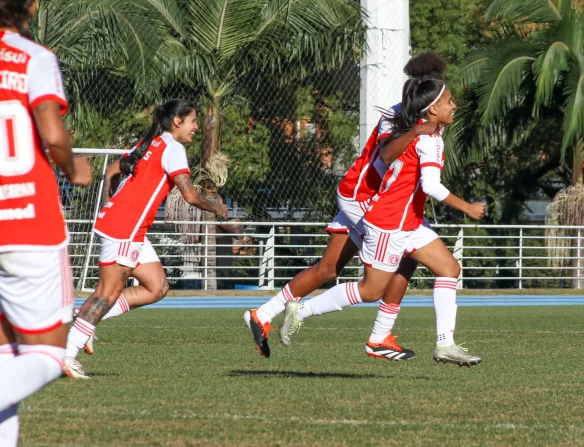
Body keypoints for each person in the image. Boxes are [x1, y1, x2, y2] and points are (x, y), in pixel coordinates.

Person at [280, 54, 486, 366]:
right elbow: (430, 185)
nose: (454, 105)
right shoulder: (427, 137)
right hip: (389, 223)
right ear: (432, 109)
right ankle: (301, 310)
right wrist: (467, 207)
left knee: (449, 269)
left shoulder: (425, 129)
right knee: (370, 291)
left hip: (410, 221)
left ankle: (445, 344)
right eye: (450, 101)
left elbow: (391, 155)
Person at [244, 54, 442, 362]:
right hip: (365, 198)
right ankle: (379, 337)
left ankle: (261, 314)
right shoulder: (408, 121)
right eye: (445, 97)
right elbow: (388, 159)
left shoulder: (408, 115)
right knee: (403, 256)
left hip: (358, 193)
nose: (450, 103)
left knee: (328, 269)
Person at [63, 99, 228, 379]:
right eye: (193, 121)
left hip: (127, 225)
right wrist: (217, 208)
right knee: (107, 293)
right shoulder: (174, 148)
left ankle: (84, 320)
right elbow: (189, 194)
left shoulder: (150, 143)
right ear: (177, 122)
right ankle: (67, 355)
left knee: (157, 286)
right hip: (125, 228)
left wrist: (118, 201)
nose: (197, 127)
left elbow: (113, 171)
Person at [0, 0, 93, 446]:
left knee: (6, 357)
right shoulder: (33, 57)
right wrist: (75, 167)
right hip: (26, 224)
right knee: (48, 357)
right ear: (31, 6)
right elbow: (53, 135)